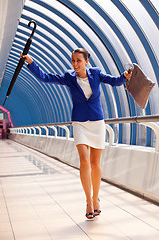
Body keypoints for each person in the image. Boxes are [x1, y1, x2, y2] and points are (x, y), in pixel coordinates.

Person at [21, 48, 132, 219]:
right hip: (79, 122)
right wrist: (31, 62)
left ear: (87, 61)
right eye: (73, 60)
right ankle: (88, 201)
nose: (75, 64)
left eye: (78, 60)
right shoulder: (68, 77)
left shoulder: (96, 73)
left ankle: (96, 199)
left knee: (95, 164)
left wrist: (125, 76)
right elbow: (46, 77)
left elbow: (115, 81)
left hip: (96, 122)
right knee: (84, 162)